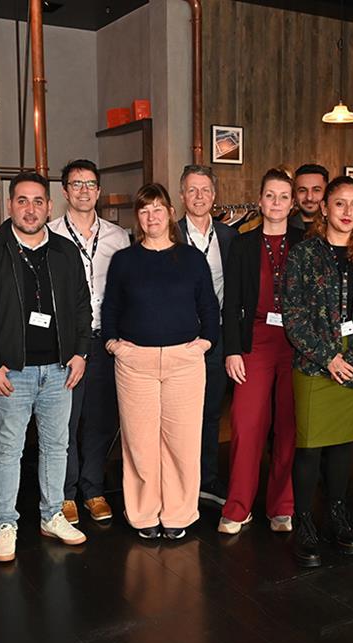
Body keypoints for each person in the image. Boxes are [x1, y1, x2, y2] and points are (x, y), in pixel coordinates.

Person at [0, 171, 92, 561]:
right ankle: (6, 522)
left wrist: (80, 352)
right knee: (8, 449)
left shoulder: (65, 252)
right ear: (10, 205)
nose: (30, 209)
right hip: (10, 373)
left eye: (38, 201)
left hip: (58, 369)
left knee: (56, 445)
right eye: (22, 201)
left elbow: (81, 306)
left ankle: (52, 514)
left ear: (49, 207)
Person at [284, 176, 353, 567]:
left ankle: (336, 515)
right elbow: (293, 316)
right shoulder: (303, 255)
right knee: (311, 446)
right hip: (315, 363)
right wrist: (329, 356)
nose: (347, 212)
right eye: (340, 204)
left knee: (343, 446)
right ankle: (304, 522)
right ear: (325, 208)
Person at [101, 183, 220, 540]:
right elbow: (111, 307)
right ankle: (142, 514)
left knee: (182, 442)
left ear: (170, 212)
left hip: (184, 361)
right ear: (137, 218)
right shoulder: (124, 260)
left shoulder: (192, 259)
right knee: (139, 442)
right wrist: (113, 344)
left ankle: (179, 513)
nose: (151, 216)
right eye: (144, 210)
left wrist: (205, 343)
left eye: (157, 208)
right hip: (135, 362)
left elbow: (209, 307)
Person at [219, 169, 304, 534]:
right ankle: (238, 506)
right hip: (254, 340)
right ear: (259, 200)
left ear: (293, 203)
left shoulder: (306, 243)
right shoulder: (242, 243)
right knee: (246, 423)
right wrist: (232, 350)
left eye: (284, 196)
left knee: (290, 426)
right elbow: (231, 301)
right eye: (270, 195)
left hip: (298, 342)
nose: (276, 203)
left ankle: (281, 506)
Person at [49, 159, 130, 526]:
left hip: (106, 341)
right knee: (63, 420)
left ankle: (93, 488)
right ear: (64, 191)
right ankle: (64, 494)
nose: (84, 190)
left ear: (98, 190)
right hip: (65, 343)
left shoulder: (118, 237)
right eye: (76, 184)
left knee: (100, 419)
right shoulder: (49, 235)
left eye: (90, 184)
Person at [177, 164, 236, 506]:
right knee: (178, 416)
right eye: (192, 190)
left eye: (205, 190)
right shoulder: (168, 234)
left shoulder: (229, 237)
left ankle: (207, 479)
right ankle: (179, 482)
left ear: (214, 197)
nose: (199, 196)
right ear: (182, 195)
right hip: (176, 342)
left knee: (211, 414)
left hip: (215, 341)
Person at [288, 163, 329, 231]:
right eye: (302, 190)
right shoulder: (283, 227)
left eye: (316, 190)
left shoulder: (337, 226)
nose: (309, 197)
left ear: (327, 192)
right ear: (294, 193)